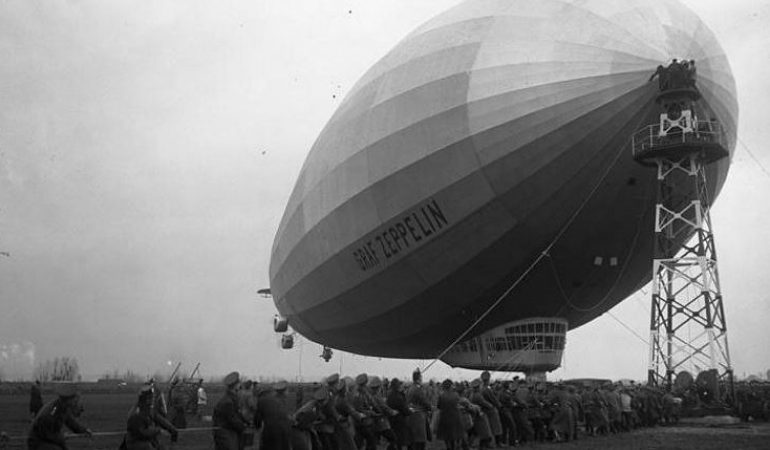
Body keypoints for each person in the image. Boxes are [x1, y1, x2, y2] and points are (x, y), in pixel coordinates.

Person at [27, 383, 93, 450]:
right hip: (39, 442)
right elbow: (48, 434)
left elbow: (71, 422)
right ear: (68, 400)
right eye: (75, 400)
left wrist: (84, 430)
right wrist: (62, 437)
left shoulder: (63, 407)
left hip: (50, 440)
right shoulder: (52, 412)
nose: (76, 403)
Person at [122, 385, 178, 450]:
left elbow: (163, 422)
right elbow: (141, 432)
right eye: (149, 399)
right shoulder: (136, 414)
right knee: (148, 447)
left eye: (151, 399)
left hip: (148, 441)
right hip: (135, 443)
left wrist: (173, 431)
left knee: (161, 447)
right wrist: (158, 431)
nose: (151, 402)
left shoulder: (151, 412)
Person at [212, 371, 247, 450]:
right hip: (226, 435)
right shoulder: (228, 402)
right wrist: (243, 426)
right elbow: (233, 419)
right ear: (236, 386)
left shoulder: (230, 399)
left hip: (227, 434)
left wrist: (246, 422)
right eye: (239, 384)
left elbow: (237, 414)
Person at [254, 381, 292, 450]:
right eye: (287, 390)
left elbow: (258, 418)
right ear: (283, 392)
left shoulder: (262, 400)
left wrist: (257, 426)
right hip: (283, 432)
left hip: (269, 432)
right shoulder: (280, 401)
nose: (288, 392)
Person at [406, 370, 432, 450]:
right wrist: (430, 407)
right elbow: (424, 401)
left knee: (412, 440)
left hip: (411, 415)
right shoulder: (418, 389)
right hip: (418, 417)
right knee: (420, 441)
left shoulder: (410, 388)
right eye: (421, 377)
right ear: (419, 378)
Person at [436, 379, 464, 450]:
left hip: (444, 418)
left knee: (446, 435)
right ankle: (453, 447)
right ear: (451, 386)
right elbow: (459, 404)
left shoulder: (441, 396)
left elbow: (438, 406)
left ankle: (448, 447)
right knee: (453, 435)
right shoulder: (456, 395)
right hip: (455, 418)